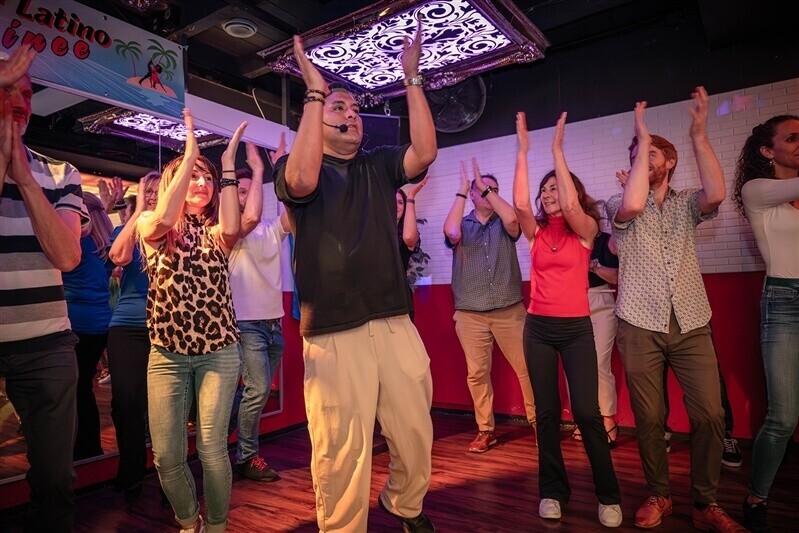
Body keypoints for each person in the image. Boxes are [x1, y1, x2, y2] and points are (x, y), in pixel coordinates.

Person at [273, 21, 437, 532]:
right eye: (338, 108)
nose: (351, 115)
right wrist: (315, 93)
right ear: (316, 119)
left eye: (355, 109)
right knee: (341, 448)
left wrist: (412, 79)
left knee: (414, 431)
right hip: (333, 330)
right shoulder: (296, 169)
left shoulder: (378, 165)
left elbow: (425, 152)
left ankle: (404, 504)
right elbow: (301, 180)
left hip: (392, 318)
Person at [605, 91, 745, 532]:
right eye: (636, 153)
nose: (641, 156)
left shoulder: (686, 203)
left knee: (710, 414)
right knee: (649, 419)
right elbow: (631, 205)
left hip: (691, 321)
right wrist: (641, 136)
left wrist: (699, 134)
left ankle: (705, 503)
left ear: (669, 162)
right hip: (638, 324)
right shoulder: (617, 204)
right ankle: (659, 494)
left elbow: (717, 193)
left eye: (651, 152)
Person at [137, 109, 246, 533]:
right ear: (175, 182)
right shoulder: (151, 224)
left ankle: (216, 527)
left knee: (212, 449)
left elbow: (233, 226)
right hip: (167, 354)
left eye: (207, 178)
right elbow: (165, 218)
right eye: (192, 176)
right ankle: (189, 522)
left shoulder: (216, 232)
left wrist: (229, 164)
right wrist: (189, 154)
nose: (201, 183)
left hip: (219, 351)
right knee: (166, 456)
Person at [513, 111, 622, 527]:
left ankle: (608, 495)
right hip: (538, 329)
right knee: (546, 414)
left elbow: (573, 205)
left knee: (587, 413)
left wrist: (557, 150)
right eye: (545, 189)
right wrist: (523, 152)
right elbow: (519, 203)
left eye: (555, 186)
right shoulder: (536, 233)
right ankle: (552, 491)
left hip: (576, 330)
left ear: (570, 189)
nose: (547, 193)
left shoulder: (586, 229)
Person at [0, 44, 88, 532]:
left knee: (56, 480)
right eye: (6, 89)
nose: (19, 102)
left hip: (48, 344)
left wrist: (27, 182)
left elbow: (68, 257)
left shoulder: (60, 173)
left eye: (27, 93)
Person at [443, 157, 537, 453]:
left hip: (509, 310)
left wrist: (485, 189)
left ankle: (540, 425)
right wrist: (462, 190)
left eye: (493, 189)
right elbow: (451, 232)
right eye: (482, 189)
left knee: (528, 368)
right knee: (477, 373)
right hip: (470, 314)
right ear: (471, 195)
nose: (488, 193)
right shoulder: (463, 224)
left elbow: (513, 220)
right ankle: (486, 430)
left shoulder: (505, 222)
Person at [734, 114, 799, 532]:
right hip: (785, 302)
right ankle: (756, 497)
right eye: (792, 138)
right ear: (767, 150)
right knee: (783, 417)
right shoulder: (756, 190)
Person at [227, 138, 290, 482]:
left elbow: (294, 211)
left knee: (254, 390)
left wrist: (281, 169)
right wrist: (258, 168)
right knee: (259, 389)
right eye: (241, 189)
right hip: (246, 325)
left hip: (274, 325)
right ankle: (246, 457)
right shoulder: (228, 231)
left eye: (251, 189)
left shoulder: (270, 229)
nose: (248, 193)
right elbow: (247, 218)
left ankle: (221, 428)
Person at [106, 171, 160, 504]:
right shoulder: (124, 229)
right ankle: (132, 470)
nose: (152, 196)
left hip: (164, 327)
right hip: (126, 325)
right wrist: (138, 212)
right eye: (147, 191)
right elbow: (119, 257)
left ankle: (168, 474)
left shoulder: (175, 229)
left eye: (158, 191)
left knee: (163, 406)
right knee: (125, 402)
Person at [62, 191, 114, 460]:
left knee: (77, 389)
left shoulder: (78, 245)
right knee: (83, 387)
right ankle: (89, 448)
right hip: (101, 325)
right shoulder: (103, 248)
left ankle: (85, 449)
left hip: (78, 324)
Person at [571, 204, 620, 447]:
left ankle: (608, 420)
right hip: (572, 303)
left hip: (600, 299)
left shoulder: (605, 241)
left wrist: (594, 267)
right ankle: (583, 420)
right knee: (576, 367)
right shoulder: (570, 241)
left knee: (600, 363)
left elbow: (617, 277)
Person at [397, 174, 429, 321]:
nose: (395, 205)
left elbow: (409, 238)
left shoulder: (406, 234)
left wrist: (410, 197)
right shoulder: (373, 231)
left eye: (400, 202)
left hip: (398, 297)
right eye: (391, 201)